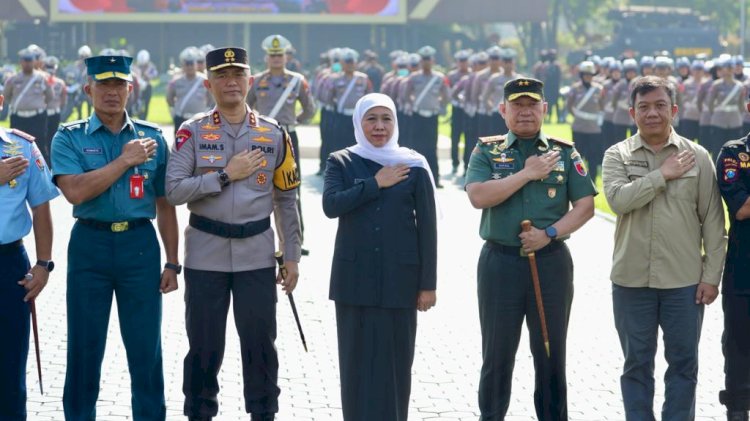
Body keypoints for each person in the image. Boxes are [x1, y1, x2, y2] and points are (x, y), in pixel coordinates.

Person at [165, 47, 301, 421]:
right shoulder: (191, 131)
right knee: (204, 346)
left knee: (260, 345)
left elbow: (287, 200)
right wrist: (225, 174)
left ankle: (263, 413)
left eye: (238, 74)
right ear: (208, 83)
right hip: (206, 253)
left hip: (256, 254)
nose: (231, 82)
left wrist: (291, 255)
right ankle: (199, 413)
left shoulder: (273, 133)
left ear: (250, 81)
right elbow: (174, 190)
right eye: (222, 76)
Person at [51, 54, 180, 421]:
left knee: (146, 349)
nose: (111, 92)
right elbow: (75, 192)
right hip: (89, 246)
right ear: (88, 89)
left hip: (139, 247)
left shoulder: (152, 137)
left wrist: (172, 261)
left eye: (118, 84)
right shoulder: (69, 137)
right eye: (103, 85)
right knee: (84, 347)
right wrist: (124, 161)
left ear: (130, 89)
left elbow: (165, 204)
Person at [465, 77, 597, 420]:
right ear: (503, 110)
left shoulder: (564, 152)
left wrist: (549, 233)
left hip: (551, 263)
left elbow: (585, 206)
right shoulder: (487, 150)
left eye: (531, 104)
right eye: (517, 105)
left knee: (551, 355)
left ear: (544, 109)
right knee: (497, 355)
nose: (524, 112)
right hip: (500, 263)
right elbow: (478, 196)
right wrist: (526, 174)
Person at [602, 75, 726, 420]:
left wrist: (711, 277)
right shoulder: (618, 155)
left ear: (673, 110)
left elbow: (714, 223)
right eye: (643, 107)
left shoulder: (698, 157)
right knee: (636, 364)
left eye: (659, 106)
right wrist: (662, 175)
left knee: (684, 365)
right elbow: (618, 201)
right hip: (631, 281)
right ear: (632, 112)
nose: (652, 113)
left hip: (684, 282)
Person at [322, 93, 437, 420]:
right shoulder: (341, 161)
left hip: (400, 280)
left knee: (396, 366)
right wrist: (375, 183)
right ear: (359, 121)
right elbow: (331, 206)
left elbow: (427, 228)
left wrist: (428, 284)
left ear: (395, 122)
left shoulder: (413, 164)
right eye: (371, 118)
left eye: (386, 118)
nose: (379, 126)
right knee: (356, 365)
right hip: (353, 281)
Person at [0, 93, 58, 421]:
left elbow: (41, 206)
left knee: (9, 367)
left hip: (8, 264)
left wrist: (43, 264)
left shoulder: (21, 147)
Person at [247, 34, 315, 255]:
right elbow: (246, 107)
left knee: (291, 189)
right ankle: (256, 237)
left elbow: (310, 108)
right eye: (272, 55)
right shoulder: (256, 80)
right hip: (262, 139)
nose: (276, 58)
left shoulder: (297, 80)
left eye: (280, 55)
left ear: (286, 56)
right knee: (257, 186)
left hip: (288, 137)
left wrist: (297, 122)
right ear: (266, 57)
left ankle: (295, 241)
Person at [715, 105, 750, 421]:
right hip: (744, 270)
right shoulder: (734, 153)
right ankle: (737, 409)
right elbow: (741, 208)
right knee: (739, 344)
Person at [403, 45, 450, 188]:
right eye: (423, 59)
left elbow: (446, 95)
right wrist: (412, 104)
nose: (426, 62)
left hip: (432, 116)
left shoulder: (439, 78)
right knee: (416, 148)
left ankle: (434, 179)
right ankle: (414, 178)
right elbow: (406, 93)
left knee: (431, 148)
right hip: (417, 115)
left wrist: (439, 105)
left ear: (433, 60)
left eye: (428, 59)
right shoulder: (414, 77)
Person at [3, 48, 52, 152]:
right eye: (25, 61)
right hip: (18, 118)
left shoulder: (42, 78)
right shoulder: (13, 79)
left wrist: (38, 105)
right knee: (16, 147)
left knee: (40, 147)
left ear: (34, 61)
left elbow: (49, 96)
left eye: (30, 61)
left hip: (37, 118)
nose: (27, 64)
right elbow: (6, 96)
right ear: (21, 62)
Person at [566, 60, 604, 180]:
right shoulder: (575, 88)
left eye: (590, 75)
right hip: (579, 127)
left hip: (594, 129)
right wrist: (578, 116)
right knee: (577, 156)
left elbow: (602, 106)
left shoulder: (599, 89)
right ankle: (577, 179)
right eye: (585, 74)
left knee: (593, 156)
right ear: (581, 75)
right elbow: (569, 105)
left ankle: (592, 180)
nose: (588, 77)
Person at [166, 46, 213, 135]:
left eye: (192, 63)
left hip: (199, 118)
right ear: (183, 65)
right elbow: (169, 98)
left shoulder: (204, 80)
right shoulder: (176, 81)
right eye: (187, 64)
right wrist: (175, 111)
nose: (189, 66)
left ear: (196, 64)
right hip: (181, 118)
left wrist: (206, 110)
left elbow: (211, 97)